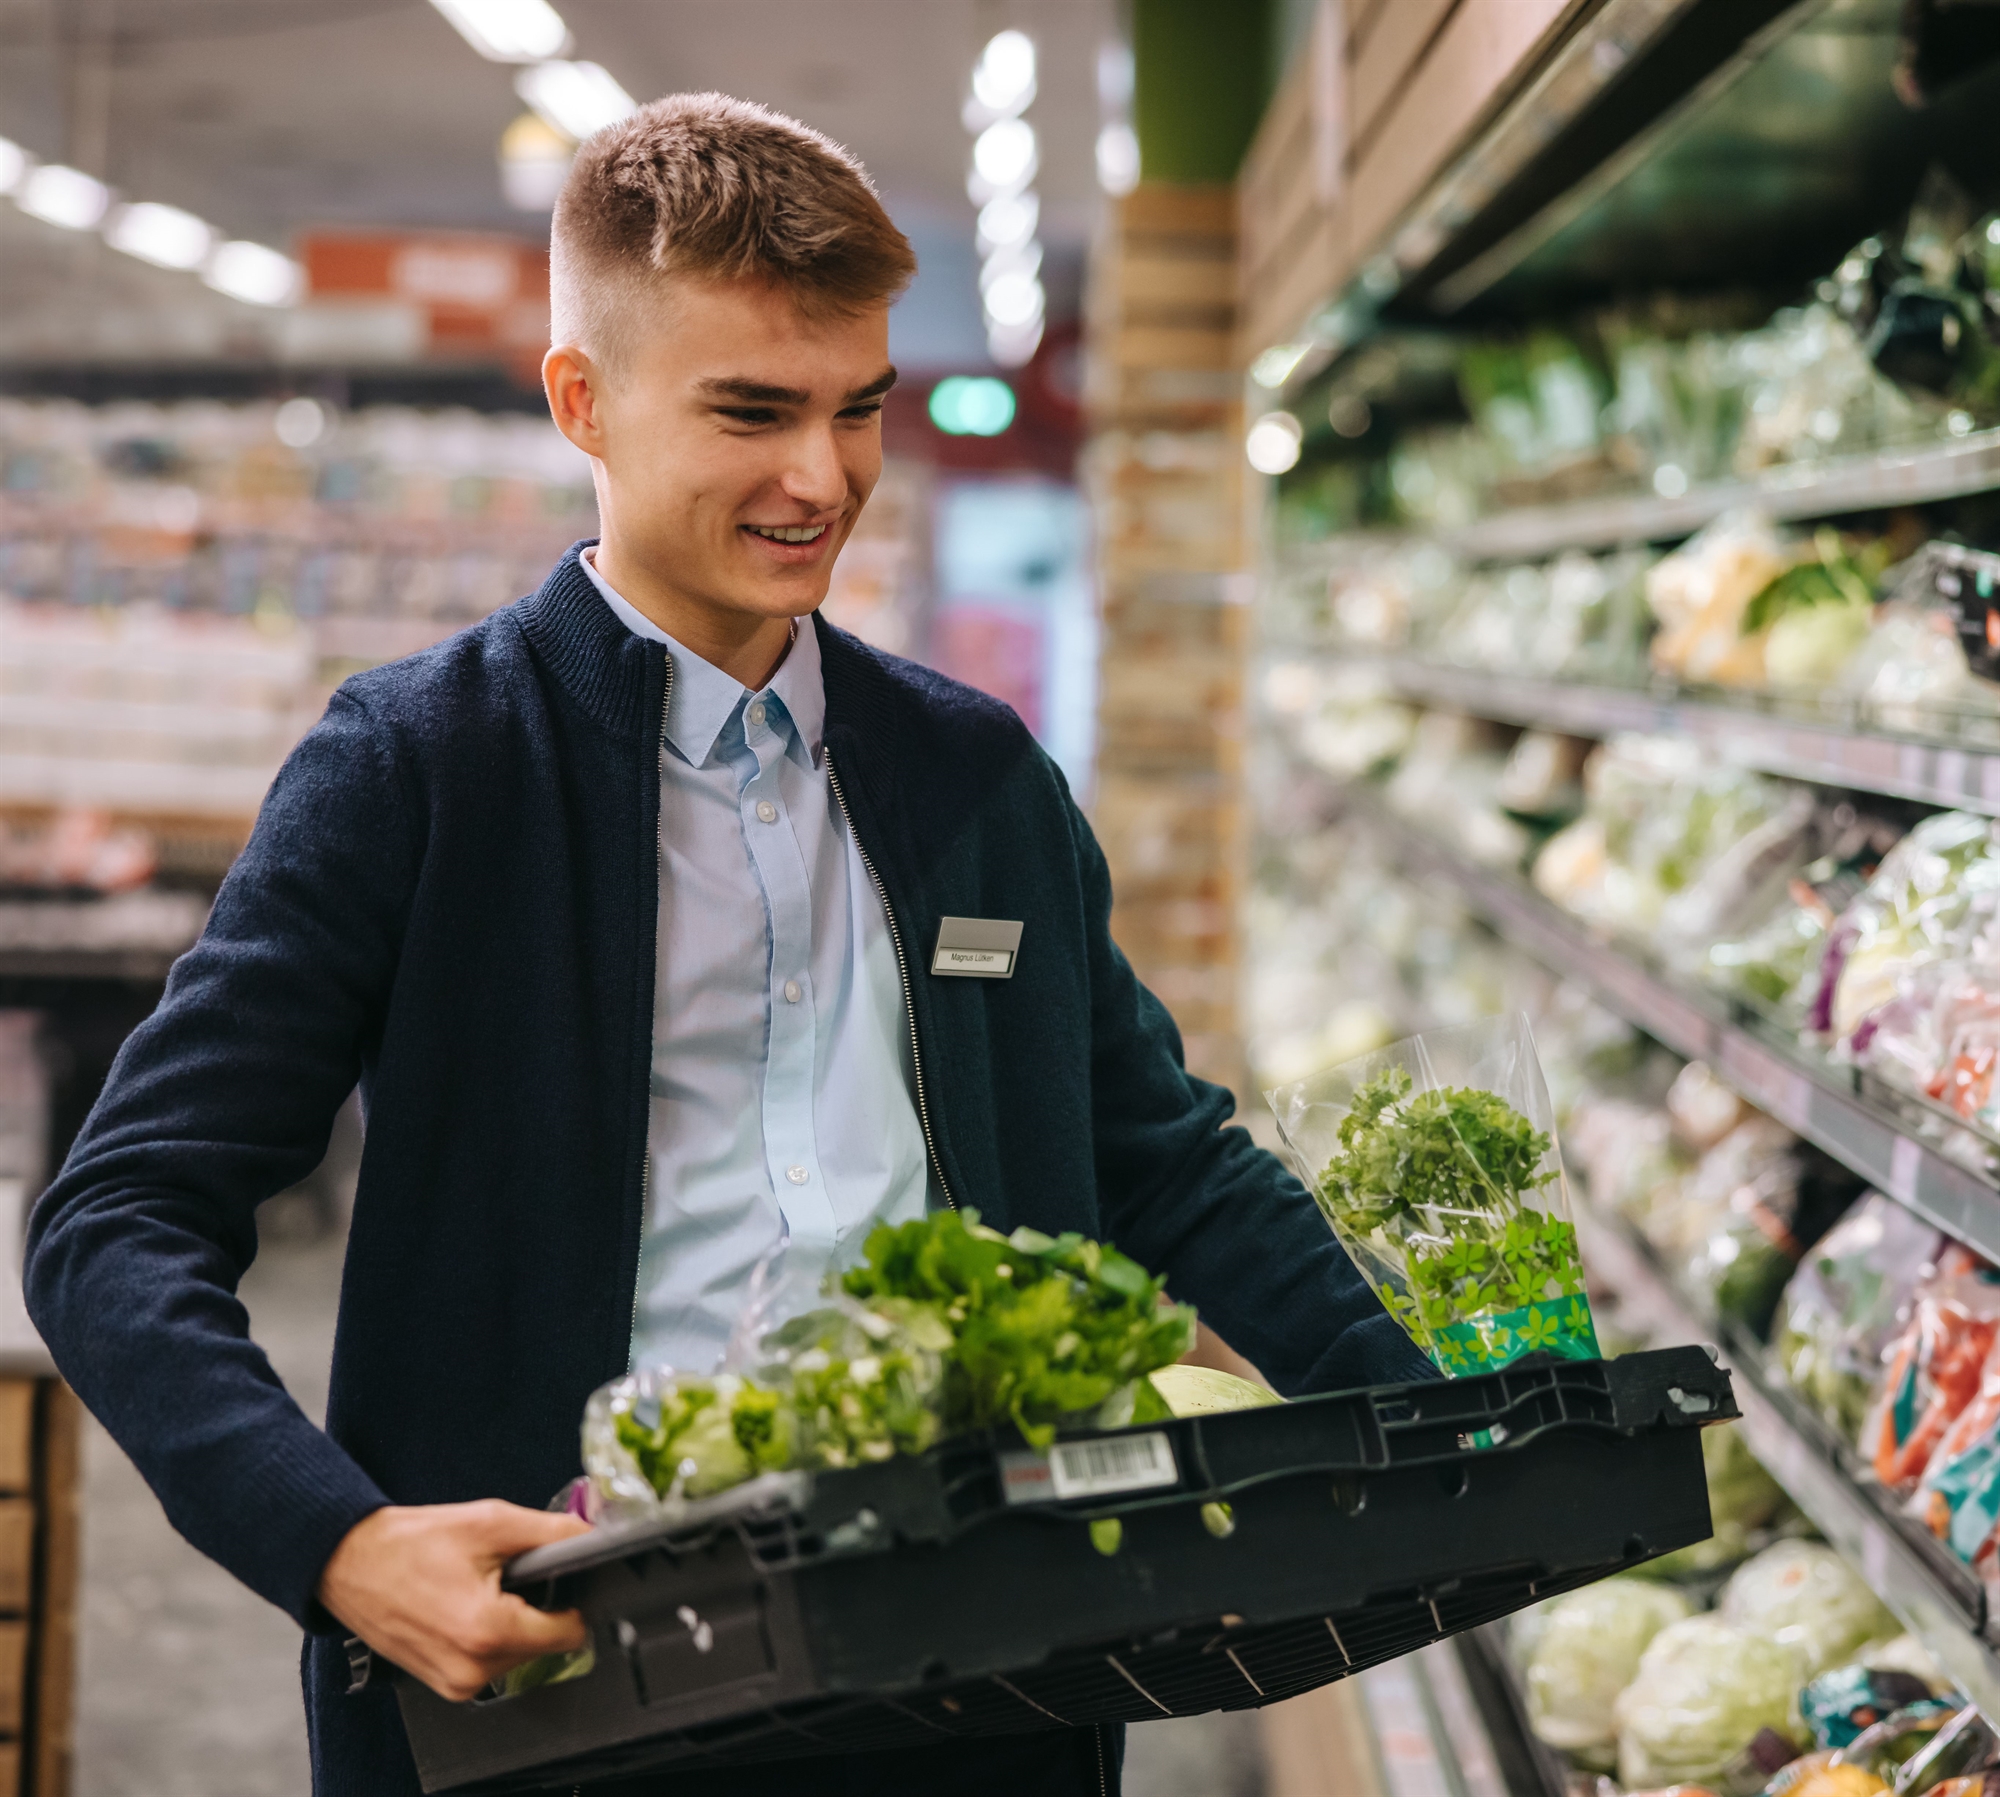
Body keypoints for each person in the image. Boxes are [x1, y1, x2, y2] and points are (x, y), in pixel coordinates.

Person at [24, 94, 1427, 1797]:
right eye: (752, 412)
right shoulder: (421, 767)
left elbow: (1168, 1160)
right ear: (583, 402)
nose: (822, 478)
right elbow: (118, 1218)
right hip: (563, 1687)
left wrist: (1445, 1421)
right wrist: (337, 1541)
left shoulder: (975, 778)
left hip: (989, 1667)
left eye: (857, 411)